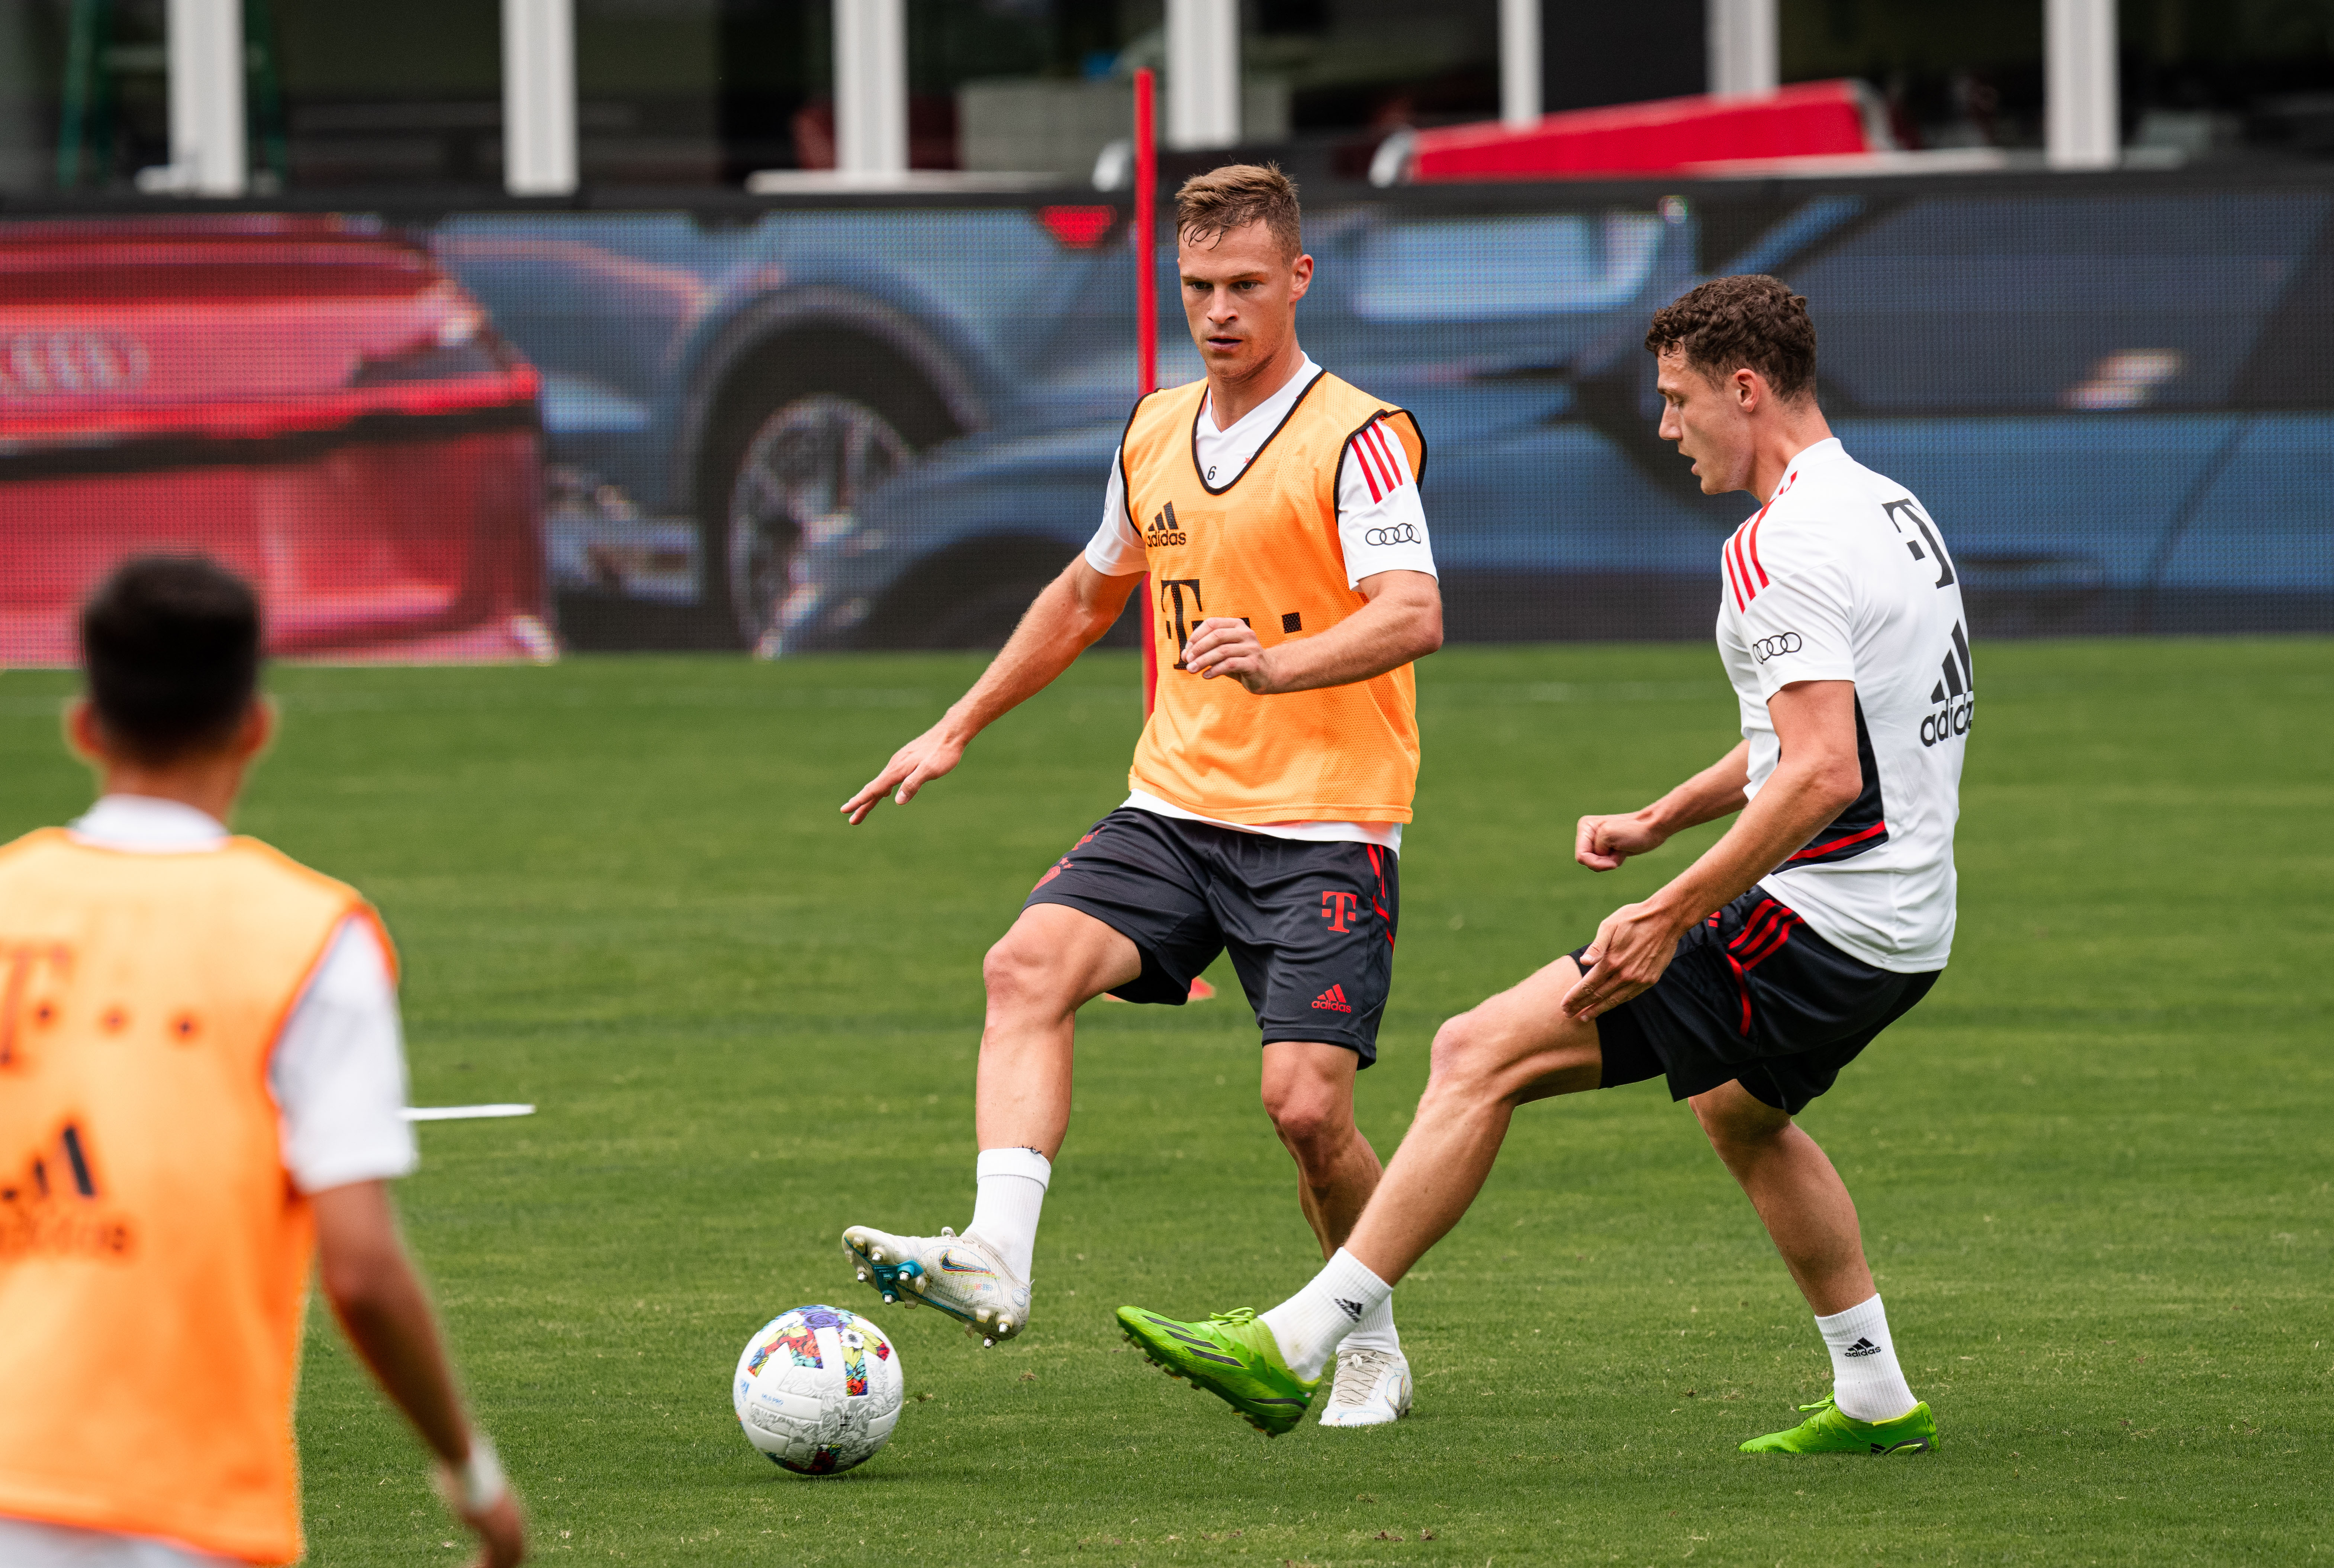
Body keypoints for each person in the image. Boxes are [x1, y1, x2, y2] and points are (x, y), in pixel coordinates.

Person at [1118, 274, 1971, 1454]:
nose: (1665, 428)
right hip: (1907, 916)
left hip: (1824, 918)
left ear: (1745, 388)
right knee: (1741, 1111)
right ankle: (1874, 1391)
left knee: (1480, 1049)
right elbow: (1826, 728)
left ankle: (1293, 1343)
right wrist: (1661, 817)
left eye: (1676, 402)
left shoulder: (1776, 548)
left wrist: (1667, 910)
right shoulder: (1889, 509)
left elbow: (1820, 772)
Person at [835, 164, 1444, 1428]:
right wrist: (959, 722)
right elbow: (1081, 596)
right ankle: (998, 1253)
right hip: (1175, 806)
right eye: (1197, 287)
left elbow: (1413, 614)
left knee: (1307, 1113)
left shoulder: (1361, 439)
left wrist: (1279, 662)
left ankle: (1367, 1334)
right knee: (1024, 967)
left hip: (1325, 822)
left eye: (1243, 285)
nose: (1219, 310)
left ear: (1297, 281)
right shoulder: (1152, 430)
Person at [0, 556, 526, 1567]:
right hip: (181, 1517)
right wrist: (470, 1474)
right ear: (255, 723)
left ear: (85, 724)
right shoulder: (309, 936)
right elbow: (361, 1266)